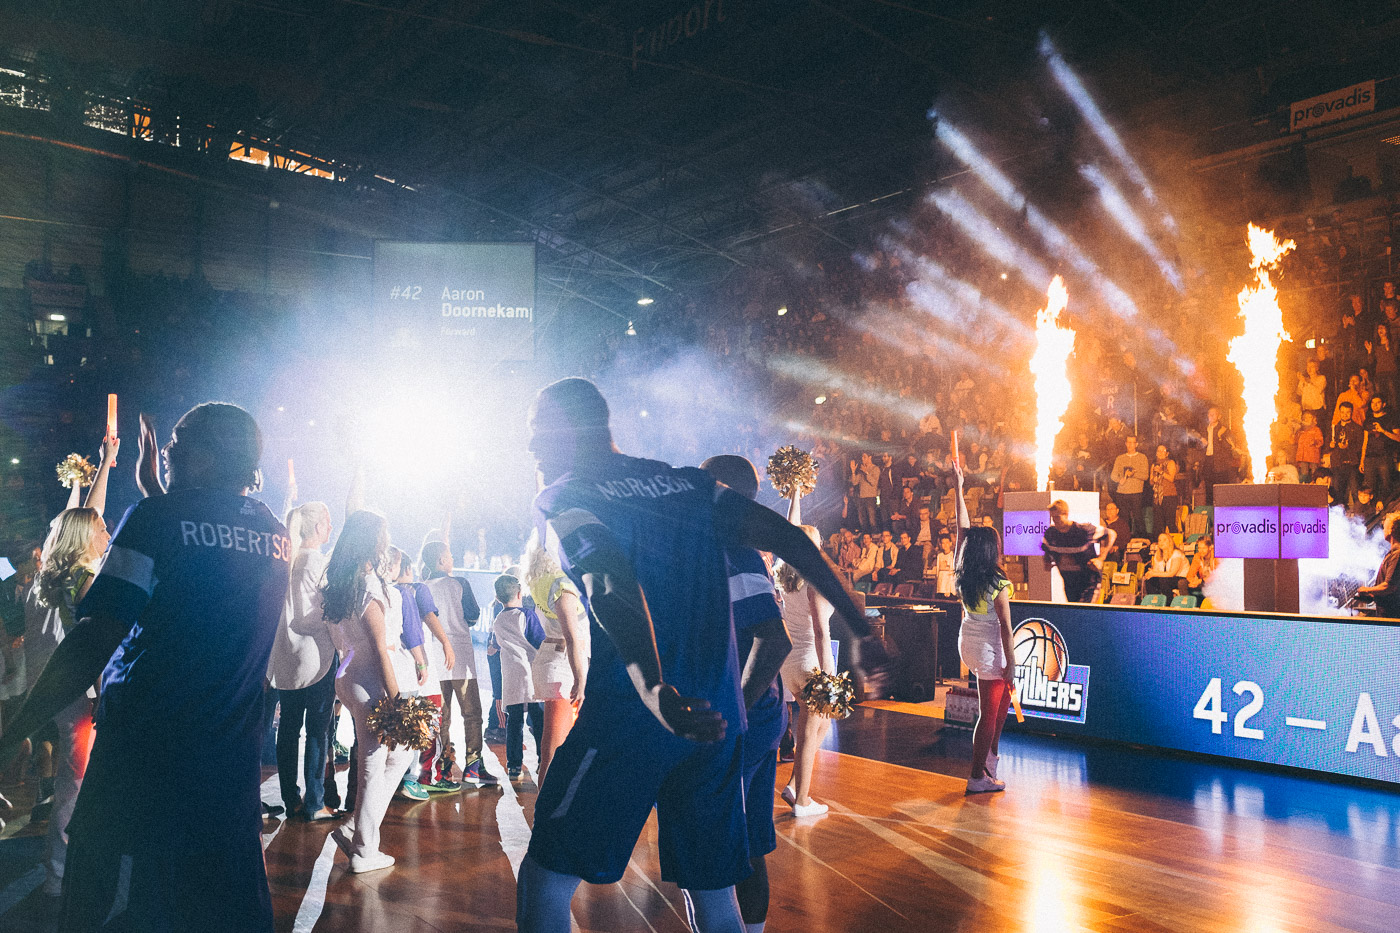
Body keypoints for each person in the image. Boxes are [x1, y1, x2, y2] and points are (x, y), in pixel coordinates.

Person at [515, 378, 887, 933]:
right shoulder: (688, 485)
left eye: (536, 429)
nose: (531, 446)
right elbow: (791, 539)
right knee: (713, 894)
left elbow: (609, 582)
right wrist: (859, 628)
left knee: (545, 878)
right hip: (716, 722)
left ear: (568, 428)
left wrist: (653, 688)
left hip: (630, 719)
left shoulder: (568, 494)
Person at [2, 403, 289, 930]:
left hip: (144, 746)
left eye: (181, 439)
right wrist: (159, 491)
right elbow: (204, 557)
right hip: (227, 755)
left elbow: (95, 637)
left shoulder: (156, 520)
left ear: (209, 454)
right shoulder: (272, 532)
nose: (170, 449)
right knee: (216, 891)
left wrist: (12, 728)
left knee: (96, 873)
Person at [20, 433, 117, 895]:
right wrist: (104, 690)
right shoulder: (83, 576)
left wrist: (106, 464)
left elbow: (78, 520)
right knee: (76, 781)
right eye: (102, 530)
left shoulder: (49, 574)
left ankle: (63, 865)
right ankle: (59, 873)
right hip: (80, 693)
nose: (108, 534)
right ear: (85, 538)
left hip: (56, 690)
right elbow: (92, 641)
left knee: (75, 778)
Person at [699, 454, 792, 933]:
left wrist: (733, 713)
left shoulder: (734, 551)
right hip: (759, 715)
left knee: (717, 846)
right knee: (750, 844)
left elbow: (774, 640)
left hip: (746, 722)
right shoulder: (736, 547)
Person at [322, 511, 417, 873]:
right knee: (375, 764)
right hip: (369, 679)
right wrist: (398, 700)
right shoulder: (368, 585)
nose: (387, 538)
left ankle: (356, 829)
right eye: (384, 533)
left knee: (391, 757)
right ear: (373, 541)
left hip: (347, 673)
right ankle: (364, 849)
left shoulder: (341, 582)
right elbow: (379, 648)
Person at [267, 500, 340, 822]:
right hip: (316, 657)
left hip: (287, 656)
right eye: (328, 522)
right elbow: (317, 615)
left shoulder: (287, 561)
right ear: (318, 527)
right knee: (317, 731)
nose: (331, 527)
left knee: (288, 729)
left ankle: (291, 799)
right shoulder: (317, 563)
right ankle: (314, 802)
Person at [950, 455, 1014, 794]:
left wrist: (959, 487)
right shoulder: (997, 583)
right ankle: (977, 776)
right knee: (989, 714)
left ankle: (989, 764)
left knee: (999, 707)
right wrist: (1012, 664)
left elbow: (962, 530)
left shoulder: (964, 571)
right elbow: (1005, 628)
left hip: (969, 642)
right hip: (989, 647)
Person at [420, 540, 493, 787]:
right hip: (460, 655)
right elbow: (472, 615)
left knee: (441, 716)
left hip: (434, 656)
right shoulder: (460, 583)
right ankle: (474, 766)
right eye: (449, 555)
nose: (452, 559)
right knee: (472, 714)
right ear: (441, 560)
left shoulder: (422, 587)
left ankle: (443, 769)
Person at [522, 533, 588, 786]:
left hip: (554, 659)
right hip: (564, 665)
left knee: (555, 747)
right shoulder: (561, 586)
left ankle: (549, 804)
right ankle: (545, 807)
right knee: (554, 749)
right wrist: (581, 679)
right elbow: (572, 638)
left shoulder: (542, 580)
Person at [491, 574, 544, 781]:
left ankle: (514, 766)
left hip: (510, 675)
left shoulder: (498, 619)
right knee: (538, 719)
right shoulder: (527, 615)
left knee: (514, 722)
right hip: (530, 673)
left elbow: (496, 644)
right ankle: (543, 761)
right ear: (520, 594)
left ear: (497, 598)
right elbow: (539, 641)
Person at [1041, 500, 1115, 603]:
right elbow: (1046, 549)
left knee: (1084, 610)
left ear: (1066, 514)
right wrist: (1047, 561)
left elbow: (1111, 534)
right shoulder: (1051, 534)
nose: (1055, 521)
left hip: (1089, 582)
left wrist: (1100, 559)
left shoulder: (1083, 531)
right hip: (1069, 583)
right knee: (1074, 610)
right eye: (1053, 517)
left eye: (1058, 517)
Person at [1355, 512, 1400, 617]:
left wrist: (1367, 590)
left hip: (1391, 614)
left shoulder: (1397, 555)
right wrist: (1373, 594)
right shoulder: (1393, 553)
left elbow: (1389, 586)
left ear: (1392, 530)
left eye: (1385, 527)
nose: (1383, 530)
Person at [1110, 436, 1149, 538]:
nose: (1131, 445)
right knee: (1124, 519)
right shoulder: (1120, 458)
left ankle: (1142, 540)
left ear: (1136, 444)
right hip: (1122, 493)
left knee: (1138, 518)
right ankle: (1125, 540)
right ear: (1126, 444)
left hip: (1136, 492)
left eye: (1133, 443)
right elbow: (1113, 475)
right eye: (1129, 442)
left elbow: (1145, 476)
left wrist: (1133, 474)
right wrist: (1121, 479)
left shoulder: (1142, 457)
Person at [1331, 401, 1365, 509]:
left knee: (1355, 490)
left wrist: (1348, 447)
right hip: (1337, 464)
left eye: (1347, 412)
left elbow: (1360, 446)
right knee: (1337, 491)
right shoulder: (1335, 427)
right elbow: (1329, 444)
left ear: (1351, 413)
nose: (1345, 415)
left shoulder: (1357, 428)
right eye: (1342, 412)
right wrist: (1331, 445)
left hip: (1351, 463)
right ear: (1339, 412)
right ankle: (1339, 513)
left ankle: (1359, 513)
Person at [1201, 408, 1236, 505]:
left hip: (1220, 463)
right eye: (1209, 414)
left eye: (1214, 414)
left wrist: (1219, 437)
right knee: (1209, 489)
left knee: (1221, 489)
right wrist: (1202, 443)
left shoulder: (1224, 429)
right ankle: (1210, 510)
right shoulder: (1205, 429)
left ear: (1219, 416)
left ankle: (1222, 510)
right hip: (1208, 461)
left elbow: (1230, 446)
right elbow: (1198, 446)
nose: (1211, 416)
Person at [1141, 533, 1189, 598]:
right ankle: (1156, 600)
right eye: (1159, 540)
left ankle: (1169, 601)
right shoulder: (1157, 555)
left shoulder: (1177, 553)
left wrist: (1154, 573)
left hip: (1180, 578)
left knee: (1164, 580)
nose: (1161, 542)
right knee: (1150, 580)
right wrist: (1151, 573)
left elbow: (1172, 573)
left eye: (1164, 540)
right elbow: (1156, 571)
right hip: (1166, 578)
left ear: (1170, 541)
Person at [1149, 444, 1181, 534]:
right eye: (1158, 451)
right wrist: (1153, 480)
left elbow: (1171, 478)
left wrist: (1161, 472)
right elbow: (1150, 482)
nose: (1160, 453)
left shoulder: (1170, 463)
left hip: (1169, 496)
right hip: (1157, 497)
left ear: (1167, 453)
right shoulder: (1154, 465)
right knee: (1158, 523)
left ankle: (1175, 540)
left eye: (1163, 451)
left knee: (1170, 522)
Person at [1296, 410, 1325, 484]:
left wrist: (1314, 442)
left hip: (1313, 456)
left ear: (1313, 418)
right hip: (1303, 457)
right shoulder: (1300, 430)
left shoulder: (1316, 430)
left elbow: (1320, 441)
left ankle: (1314, 485)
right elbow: (1296, 441)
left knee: (1314, 473)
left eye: (1309, 417)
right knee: (1304, 474)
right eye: (1306, 417)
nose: (1307, 419)